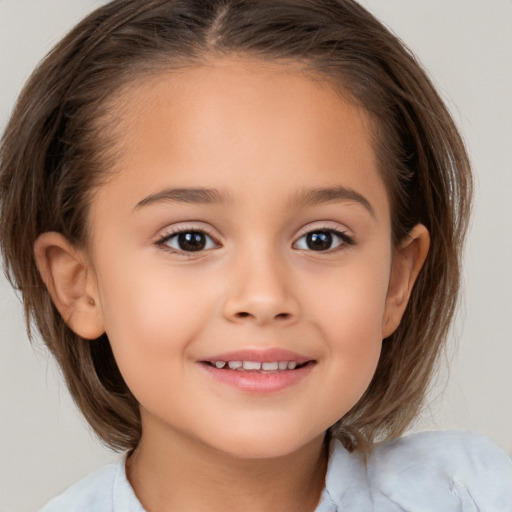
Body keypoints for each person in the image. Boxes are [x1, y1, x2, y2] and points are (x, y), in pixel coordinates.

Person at [0, 0, 510, 510]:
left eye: (321, 239)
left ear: (397, 281)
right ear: (78, 285)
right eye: (190, 240)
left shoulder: (473, 495)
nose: (264, 298)